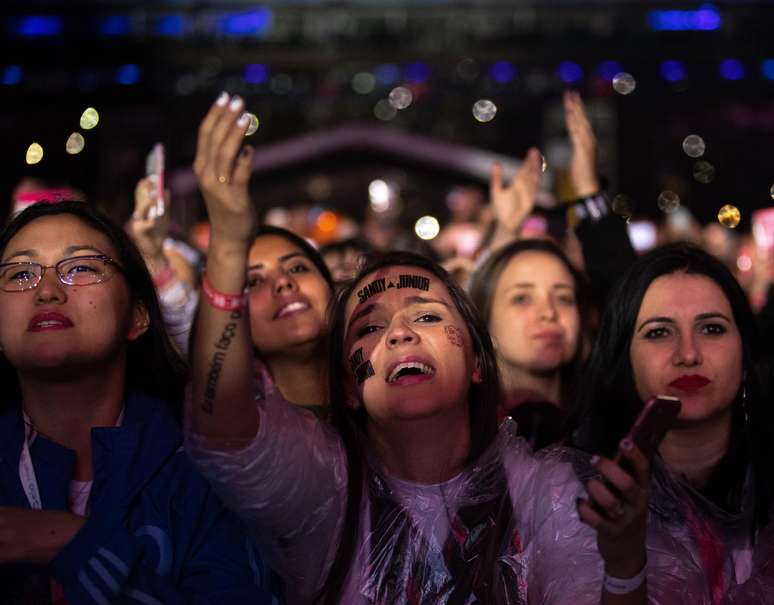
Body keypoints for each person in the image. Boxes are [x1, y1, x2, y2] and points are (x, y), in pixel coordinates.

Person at [187, 91, 654, 605]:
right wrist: (229, 246)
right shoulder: (323, 484)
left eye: (427, 316)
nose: (399, 334)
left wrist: (626, 567)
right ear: (345, 385)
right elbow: (223, 426)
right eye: (369, 327)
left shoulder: (551, 491)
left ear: (478, 360)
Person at [0, 201, 275, 604]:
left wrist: (72, 542)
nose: (46, 291)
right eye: (21, 274)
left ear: (138, 316)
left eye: (81, 268)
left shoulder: (206, 469)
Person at [571, 242, 774, 602]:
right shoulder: (572, 491)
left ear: (745, 354)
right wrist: (623, 568)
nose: (688, 354)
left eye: (712, 329)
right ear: (624, 360)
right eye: (659, 332)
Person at [192, 98, 335, 414]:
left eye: (298, 268)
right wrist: (228, 240)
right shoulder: (235, 430)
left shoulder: (388, 409)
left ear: (332, 288)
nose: (283, 283)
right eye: (253, 281)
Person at [469, 239, 591, 448]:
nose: (549, 313)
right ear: (485, 323)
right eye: (522, 299)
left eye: (563, 298)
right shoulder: (461, 437)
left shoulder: (612, 429)